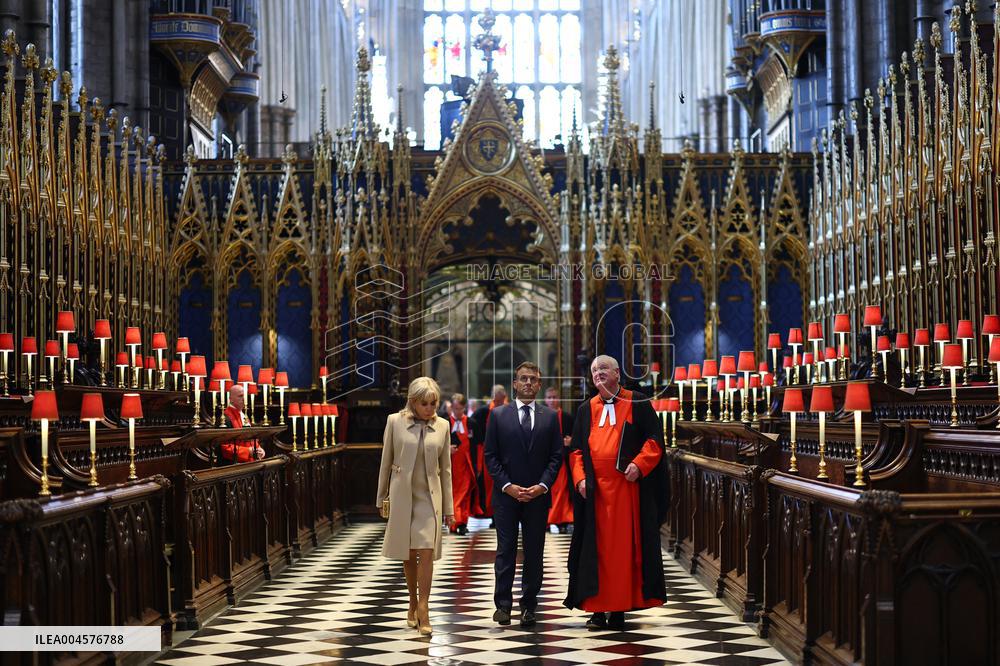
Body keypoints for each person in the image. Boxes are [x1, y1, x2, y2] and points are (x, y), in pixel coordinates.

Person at [565, 355, 669, 631]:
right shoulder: (586, 408)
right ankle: (597, 609)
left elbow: (655, 440)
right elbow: (576, 451)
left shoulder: (637, 401)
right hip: (595, 492)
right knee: (595, 552)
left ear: (617, 373)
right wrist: (579, 480)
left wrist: (639, 464)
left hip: (627, 491)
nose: (598, 374)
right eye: (594, 371)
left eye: (603, 369)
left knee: (623, 551)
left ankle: (620, 608)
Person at [483, 362, 563, 627]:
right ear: (515, 384)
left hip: (537, 496)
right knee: (505, 550)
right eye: (523, 379)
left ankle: (529, 605)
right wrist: (508, 486)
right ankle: (503, 605)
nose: (528, 383)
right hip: (507, 496)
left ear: (539, 385)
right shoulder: (498, 415)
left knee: (534, 551)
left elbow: (555, 457)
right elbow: (490, 456)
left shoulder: (550, 417)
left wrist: (542, 486)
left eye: (533, 379)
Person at [375, 377, 454, 636]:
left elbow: (446, 471)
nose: (431, 408)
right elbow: (385, 462)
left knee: (427, 551)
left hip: (430, 498)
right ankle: (411, 601)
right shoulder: (394, 422)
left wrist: (450, 508)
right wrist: (381, 497)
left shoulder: (443, 425)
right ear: (413, 402)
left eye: (434, 403)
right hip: (402, 497)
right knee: (408, 553)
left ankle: (424, 607)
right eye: (425, 404)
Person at [471, 384, 507, 520]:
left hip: (505, 454)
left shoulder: (510, 410)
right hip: (489, 454)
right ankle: (490, 514)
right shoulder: (483, 412)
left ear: (504, 398)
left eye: (500, 401)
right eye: (495, 401)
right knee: (489, 485)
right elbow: (472, 426)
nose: (498, 403)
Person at [544, 386, 575, 533]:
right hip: (546, 460)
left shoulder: (568, 417)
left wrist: (571, 442)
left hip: (563, 459)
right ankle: (548, 520)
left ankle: (562, 519)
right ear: (545, 400)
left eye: (555, 397)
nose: (552, 400)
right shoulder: (541, 416)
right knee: (548, 490)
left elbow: (575, 437)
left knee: (562, 491)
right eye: (549, 397)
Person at [448, 393, 478, 535]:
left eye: (460, 408)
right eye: (455, 408)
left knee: (465, 494)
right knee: (453, 494)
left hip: (467, 465)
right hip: (451, 466)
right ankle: (454, 523)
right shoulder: (446, 423)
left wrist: (478, 466)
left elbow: (477, 446)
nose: (457, 411)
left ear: (464, 408)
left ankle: (462, 522)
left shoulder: (471, 423)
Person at [221, 384, 265, 463]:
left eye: (244, 395)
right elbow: (224, 448)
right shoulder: (225, 419)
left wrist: (259, 449)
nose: (244, 398)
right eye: (240, 396)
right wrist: (248, 452)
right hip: (234, 466)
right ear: (231, 399)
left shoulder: (244, 415)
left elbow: (251, 439)